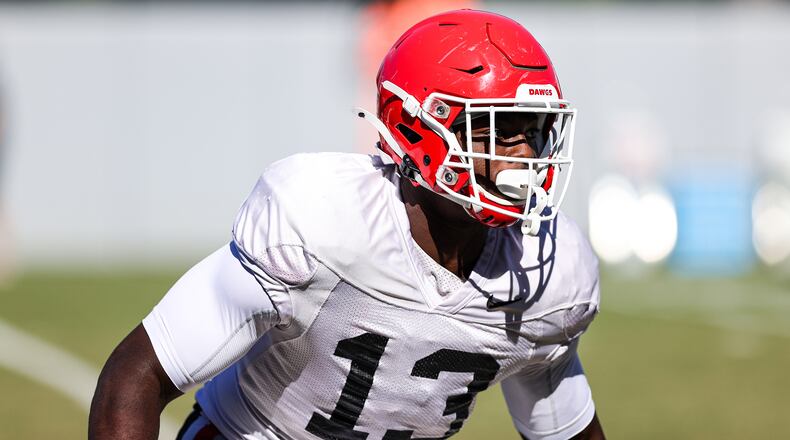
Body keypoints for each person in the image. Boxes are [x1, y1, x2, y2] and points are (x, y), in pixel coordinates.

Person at [90, 9, 604, 440]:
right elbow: (135, 378)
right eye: (495, 128)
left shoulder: (551, 270)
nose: (523, 154)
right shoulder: (322, 220)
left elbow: (565, 428)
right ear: (414, 129)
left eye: (533, 129)